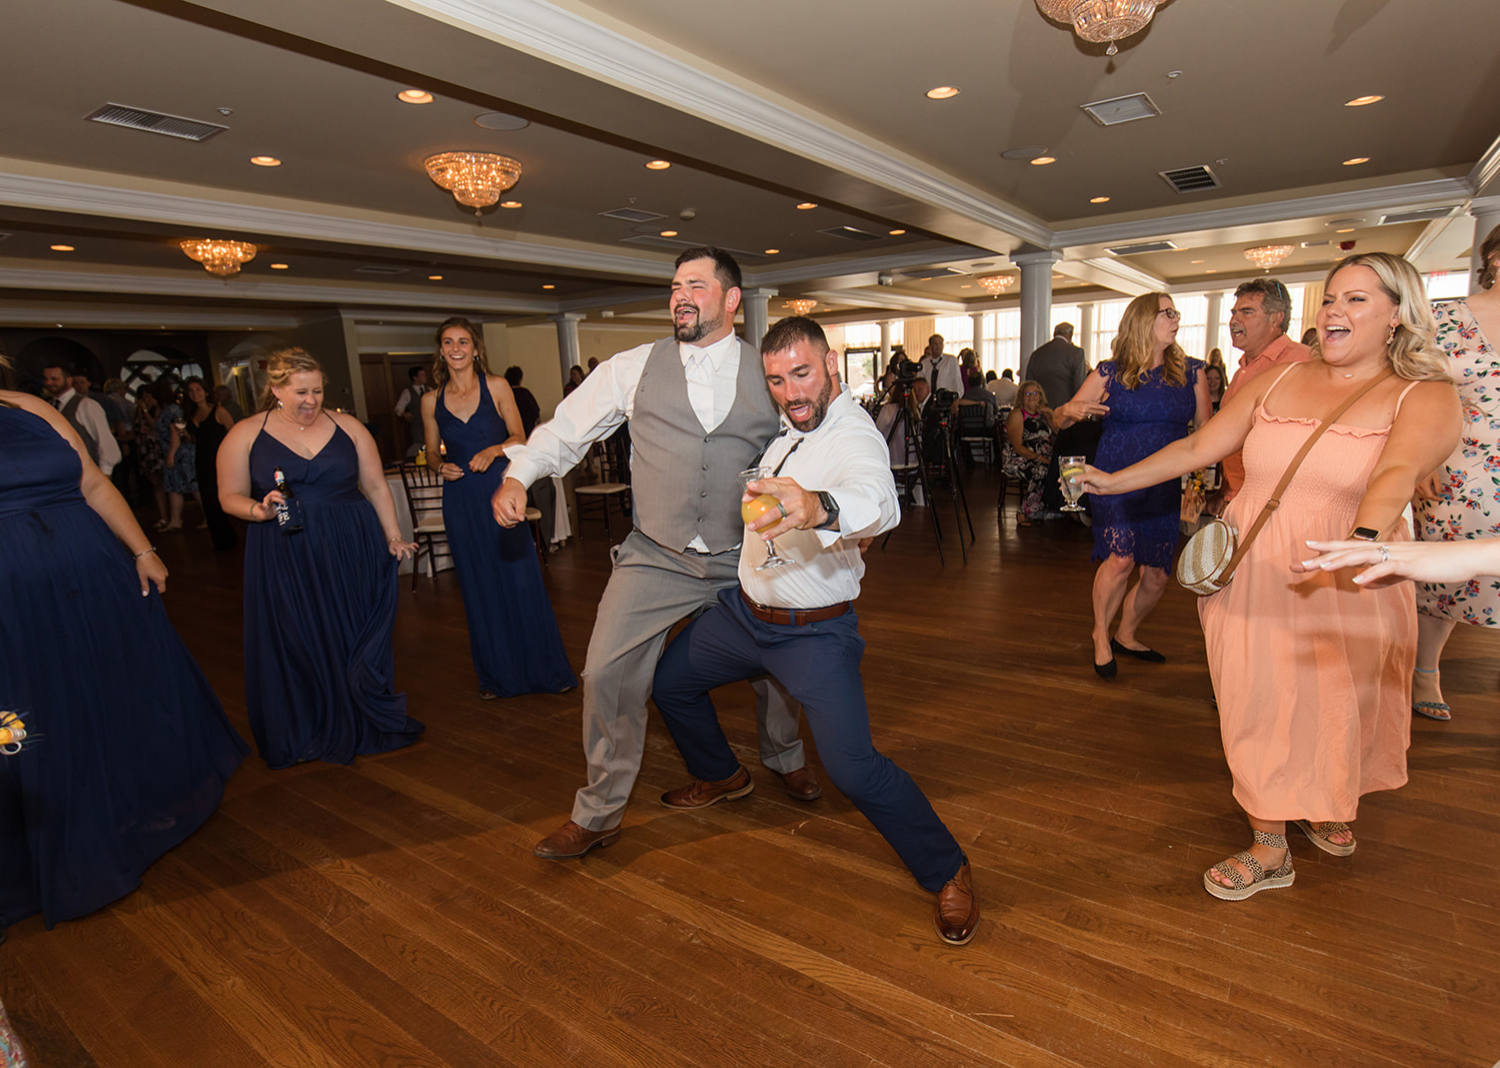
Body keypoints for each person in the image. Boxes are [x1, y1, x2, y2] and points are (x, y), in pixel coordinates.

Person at [1075, 253, 1461, 900]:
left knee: (1338, 699)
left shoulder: (1425, 394)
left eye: (1358, 300)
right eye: (1332, 298)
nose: (1335, 309)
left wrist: (1361, 542)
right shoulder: (1276, 381)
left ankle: (1327, 796)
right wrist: (1113, 480)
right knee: (1257, 699)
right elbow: (1199, 447)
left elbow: (1397, 474)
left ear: (1398, 315)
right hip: (1254, 562)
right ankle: (1268, 841)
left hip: (1350, 566)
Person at [650, 317, 979, 945]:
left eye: (802, 374)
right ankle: (723, 774)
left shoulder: (853, 433)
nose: (791, 391)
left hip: (813, 634)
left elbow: (880, 501)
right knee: (669, 683)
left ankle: (948, 868)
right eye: (777, 379)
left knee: (852, 770)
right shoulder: (788, 427)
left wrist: (821, 505)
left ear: (830, 364)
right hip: (745, 616)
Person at [491, 247, 815, 859]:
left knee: (777, 659)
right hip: (657, 552)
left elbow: (815, 434)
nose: (680, 296)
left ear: (731, 299)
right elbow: (567, 428)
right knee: (606, 672)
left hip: (744, 549)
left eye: (696, 284)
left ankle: (785, 757)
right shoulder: (634, 367)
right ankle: (599, 814)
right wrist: (518, 476)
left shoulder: (766, 370)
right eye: (674, 286)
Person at [0, 354, 247, 931]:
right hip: (14, 596)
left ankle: (126, 812)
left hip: (93, 573)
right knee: (36, 710)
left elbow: (91, 480)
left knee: (111, 687)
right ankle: (60, 839)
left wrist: (143, 548)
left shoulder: (31, 408)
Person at [217, 347, 424, 768]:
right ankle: (310, 724)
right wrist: (257, 510)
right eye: (300, 392)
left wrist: (393, 535)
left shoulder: (347, 427)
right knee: (300, 633)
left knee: (353, 630)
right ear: (276, 390)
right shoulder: (245, 433)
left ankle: (363, 716)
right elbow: (228, 496)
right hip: (285, 549)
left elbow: (376, 486)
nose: (310, 401)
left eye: (316, 391)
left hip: (352, 543)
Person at [1054, 293, 1211, 677]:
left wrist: (1197, 485)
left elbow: (1207, 433)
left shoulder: (1192, 372)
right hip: (1113, 480)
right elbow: (1061, 419)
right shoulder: (1111, 372)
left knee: (1157, 573)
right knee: (1121, 559)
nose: (1176, 318)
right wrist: (1065, 411)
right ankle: (1100, 636)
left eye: (1177, 312)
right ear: (1143, 321)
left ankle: (1127, 633)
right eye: (1168, 313)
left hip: (1164, 484)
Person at [422, 318, 576, 700]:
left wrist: (492, 451)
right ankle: (496, 675)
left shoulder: (497, 386)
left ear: (476, 349)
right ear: (440, 351)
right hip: (460, 498)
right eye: (448, 342)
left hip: (500, 488)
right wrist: (438, 466)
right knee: (478, 586)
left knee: (520, 579)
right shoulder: (430, 400)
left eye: (463, 342)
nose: (456, 348)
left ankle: (547, 671)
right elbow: (428, 451)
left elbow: (520, 437)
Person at [1404, 223, 1500, 721]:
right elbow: (1411, 389)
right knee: (1443, 576)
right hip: (1457, 471)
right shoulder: (1446, 318)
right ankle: (1425, 670)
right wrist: (1423, 457)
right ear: (1496, 259)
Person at [1216, 278, 1311, 507]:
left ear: (1276, 318)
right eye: (1234, 312)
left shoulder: (1305, 362)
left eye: (1247, 312)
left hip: (1282, 505)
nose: (1234, 320)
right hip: (1240, 500)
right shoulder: (1241, 372)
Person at [185, 377, 237, 551]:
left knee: (217, 499)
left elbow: (233, 433)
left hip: (218, 460)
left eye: (198, 390)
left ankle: (227, 538)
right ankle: (219, 540)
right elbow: (196, 440)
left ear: (205, 391)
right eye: (191, 391)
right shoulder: (191, 414)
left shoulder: (219, 411)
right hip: (201, 460)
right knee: (207, 500)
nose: (195, 394)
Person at [41, 361, 120, 475]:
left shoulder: (86, 405)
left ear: (68, 380)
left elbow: (105, 441)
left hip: (88, 473)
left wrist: (105, 473)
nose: (48, 383)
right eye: (46, 379)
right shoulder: (50, 405)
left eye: (54, 379)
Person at [1003, 380, 1056, 526]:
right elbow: (1017, 447)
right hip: (1019, 458)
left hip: (1044, 457)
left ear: (1040, 396)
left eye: (1035, 393)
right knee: (1042, 469)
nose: (1031, 397)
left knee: (1064, 467)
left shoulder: (1043, 415)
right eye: (1027, 394)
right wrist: (1041, 458)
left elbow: (1059, 432)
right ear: (1021, 397)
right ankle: (1024, 512)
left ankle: (1053, 508)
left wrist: (1050, 414)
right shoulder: (1017, 414)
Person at [1023, 323, 1089, 409]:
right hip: (1065, 410)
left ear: (1054, 334)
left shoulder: (1037, 354)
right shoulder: (1076, 353)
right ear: (1070, 336)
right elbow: (1079, 385)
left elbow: (1029, 383)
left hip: (1041, 409)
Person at [161, 383, 199, 531]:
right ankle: (175, 520)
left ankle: (209, 516)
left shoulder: (172, 410)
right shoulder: (168, 409)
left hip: (180, 453)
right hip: (176, 452)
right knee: (175, 486)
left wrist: (171, 455)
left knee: (193, 484)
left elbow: (176, 433)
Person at [133, 382, 169, 529]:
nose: (147, 399)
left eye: (149, 396)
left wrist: (146, 411)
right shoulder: (137, 411)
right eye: (144, 397)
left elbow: (156, 427)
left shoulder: (159, 410)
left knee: (166, 482)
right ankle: (163, 516)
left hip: (158, 449)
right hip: (145, 450)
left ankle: (172, 515)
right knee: (155, 484)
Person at [393, 366, 428, 457]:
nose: (425, 377)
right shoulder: (408, 392)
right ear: (415, 378)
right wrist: (405, 413)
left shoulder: (430, 390)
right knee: (419, 446)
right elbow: (398, 409)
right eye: (422, 375)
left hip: (430, 423)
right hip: (417, 425)